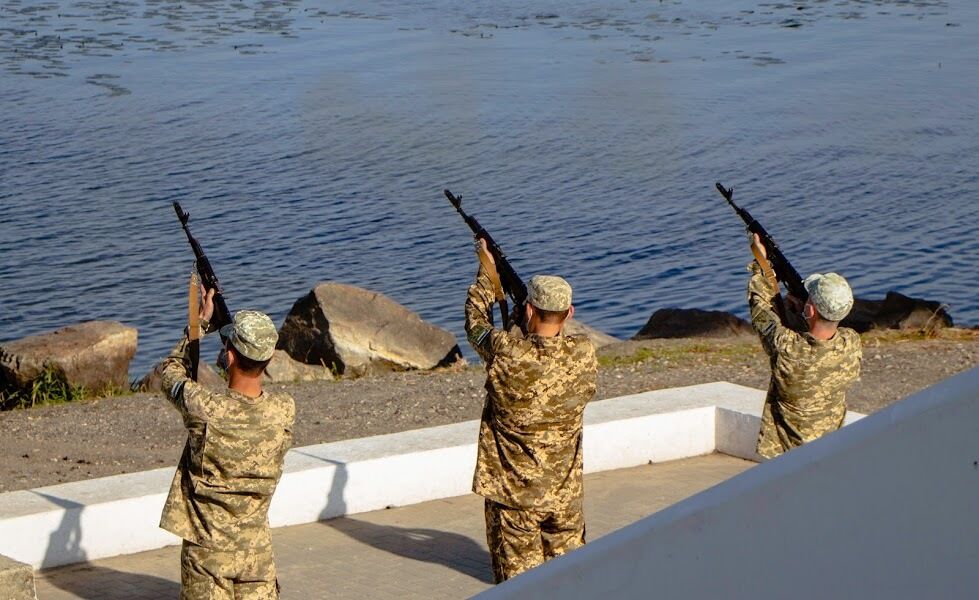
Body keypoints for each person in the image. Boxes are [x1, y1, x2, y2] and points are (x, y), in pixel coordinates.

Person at [465, 238, 598, 583]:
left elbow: (476, 324)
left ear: (528, 310)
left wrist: (486, 272)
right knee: (572, 583)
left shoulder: (507, 353)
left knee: (521, 589)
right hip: (565, 497)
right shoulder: (583, 353)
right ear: (570, 313)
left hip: (515, 500)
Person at [160, 286, 295, 599]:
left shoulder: (204, 407)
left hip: (208, 556)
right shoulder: (284, 410)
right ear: (269, 357)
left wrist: (199, 326)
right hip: (257, 554)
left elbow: (169, 372)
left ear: (229, 355)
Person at [747, 233, 862, 459]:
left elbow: (760, 309)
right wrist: (804, 312)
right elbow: (817, 337)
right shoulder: (851, 343)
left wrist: (761, 263)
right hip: (830, 449)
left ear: (811, 310)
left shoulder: (787, 348)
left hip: (786, 457)